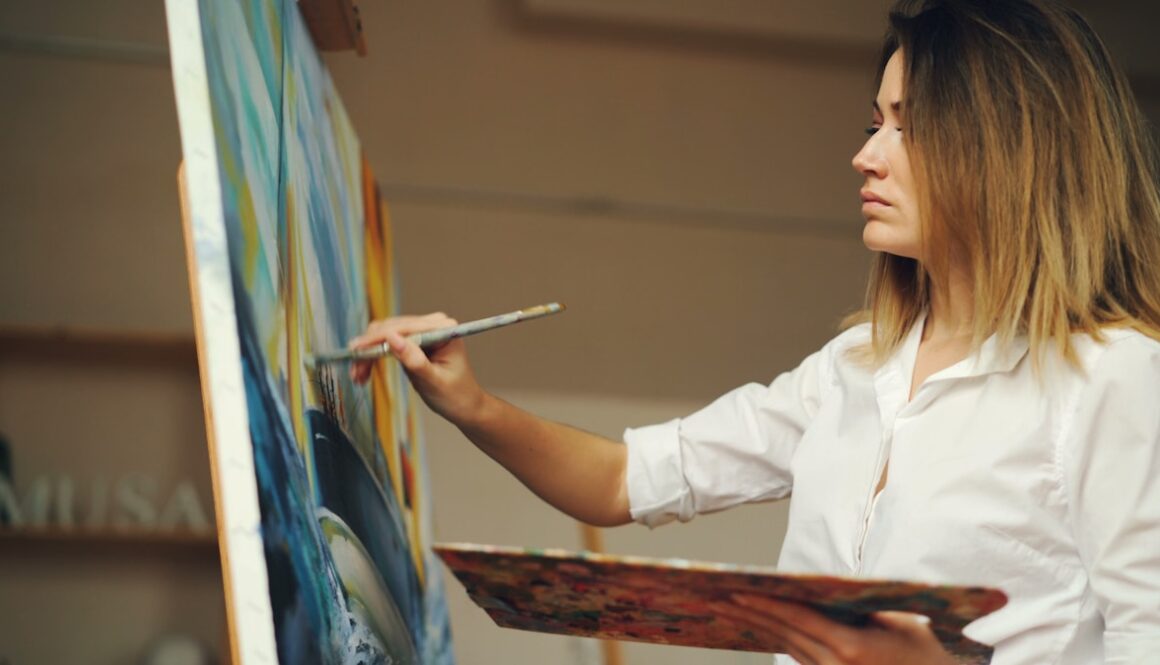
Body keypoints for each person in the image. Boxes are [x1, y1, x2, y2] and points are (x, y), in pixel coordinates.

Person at [350, 1, 1160, 662]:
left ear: (1009, 147)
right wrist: (471, 404)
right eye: (874, 123)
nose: (867, 156)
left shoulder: (1115, 379)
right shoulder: (852, 368)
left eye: (907, 126)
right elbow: (625, 480)